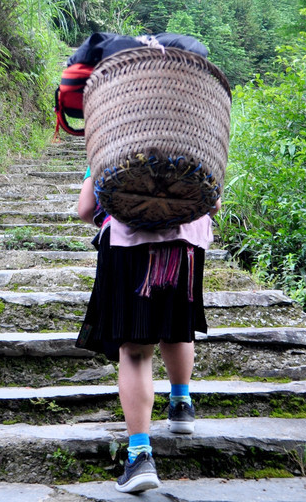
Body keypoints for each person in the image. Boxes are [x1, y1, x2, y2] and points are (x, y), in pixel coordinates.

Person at [75, 169, 221, 493]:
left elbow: (86, 208)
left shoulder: (117, 138)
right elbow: (215, 203)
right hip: (185, 244)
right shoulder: (190, 140)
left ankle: (140, 456)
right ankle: (181, 405)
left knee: (135, 349)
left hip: (129, 240)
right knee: (177, 328)